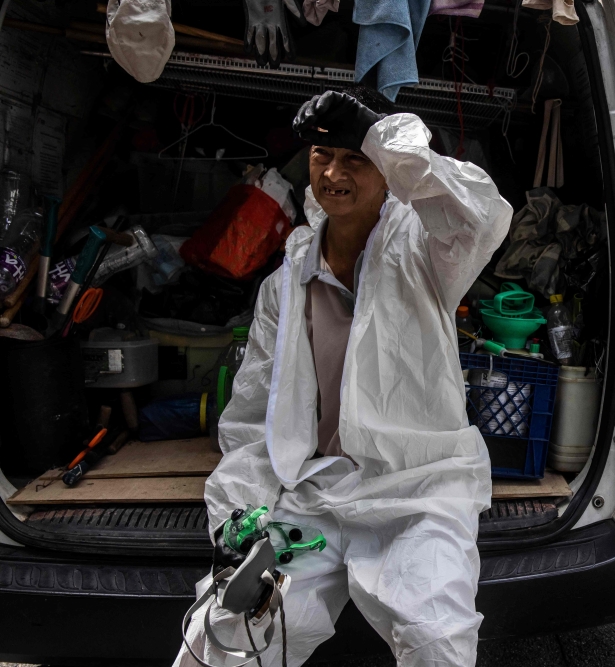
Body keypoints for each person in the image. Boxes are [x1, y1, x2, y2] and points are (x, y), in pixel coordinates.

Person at [175, 88, 513, 667]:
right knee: (229, 635)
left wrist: (380, 134)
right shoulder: (287, 282)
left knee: (437, 640)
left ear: (385, 169)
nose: (333, 173)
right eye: (321, 157)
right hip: (315, 495)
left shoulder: (427, 251)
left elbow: (478, 213)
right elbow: (255, 414)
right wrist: (242, 512)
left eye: (353, 158)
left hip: (417, 490)